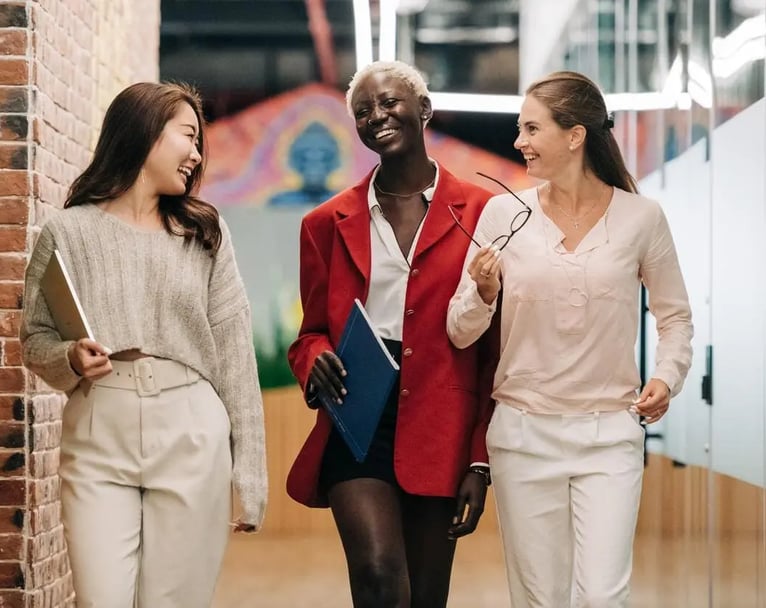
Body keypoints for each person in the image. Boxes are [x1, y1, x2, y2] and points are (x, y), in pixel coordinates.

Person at [447, 71, 693, 607]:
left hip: (610, 438)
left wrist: (666, 377)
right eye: (520, 129)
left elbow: (675, 318)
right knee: (540, 599)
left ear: (575, 135)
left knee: (604, 597)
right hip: (522, 437)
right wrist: (482, 293)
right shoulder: (503, 214)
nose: (519, 142)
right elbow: (460, 331)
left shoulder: (641, 218)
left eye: (531, 129)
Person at [20, 82, 267, 608]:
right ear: (145, 133)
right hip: (97, 431)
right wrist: (68, 357)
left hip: (191, 430)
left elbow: (235, 354)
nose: (197, 154)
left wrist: (249, 470)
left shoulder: (204, 234)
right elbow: (34, 338)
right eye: (188, 136)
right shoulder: (67, 232)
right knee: (102, 599)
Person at [286, 60, 499, 608]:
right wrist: (315, 359)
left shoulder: (483, 213)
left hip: (442, 420)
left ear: (423, 109)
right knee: (379, 577)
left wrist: (480, 459)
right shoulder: (324, 224)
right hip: (356, 415)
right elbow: (309, 333)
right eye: (362, 111)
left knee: (426, 596)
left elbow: (495, 351)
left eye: (389, 103)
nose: (376, 116)